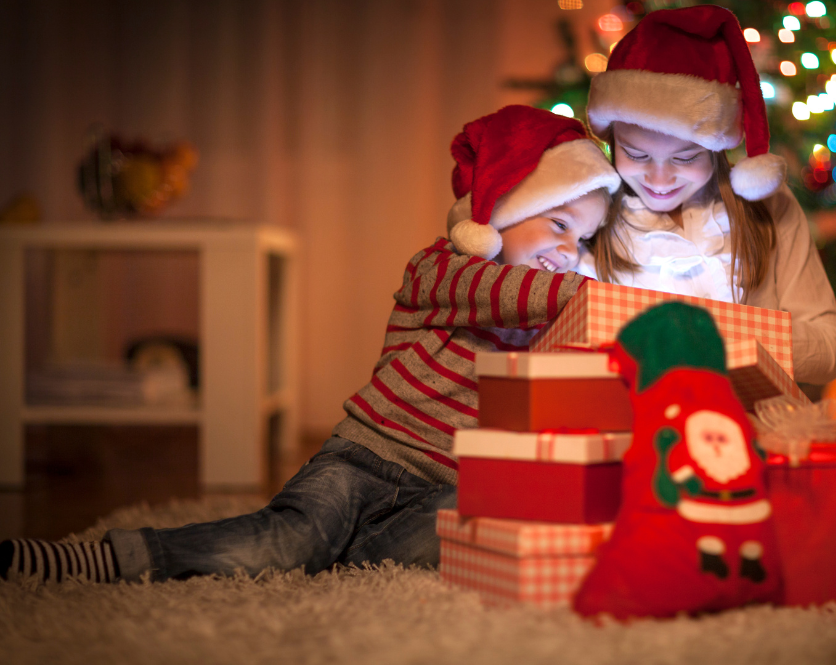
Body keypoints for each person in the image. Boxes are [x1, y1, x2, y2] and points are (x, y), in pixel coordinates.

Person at [0, 105, 620, 584]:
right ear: (497, 213)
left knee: (461, 532)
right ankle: (110, 559)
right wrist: (598, 302)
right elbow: (505, 291)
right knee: (286, 542)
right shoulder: (443, 269)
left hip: (440, 488)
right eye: (559, 224)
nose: (569, 253)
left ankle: (343, 559)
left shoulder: (546, 324)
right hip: (364, 460)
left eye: (584, 241)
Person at [577, 5, 836, 387]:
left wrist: (723, 337)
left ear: (715, 148)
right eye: (635, 155)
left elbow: (831, 345)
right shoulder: (586, 212)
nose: (659, 178)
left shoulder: (768, 206)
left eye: (686, 157)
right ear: (610, 139)